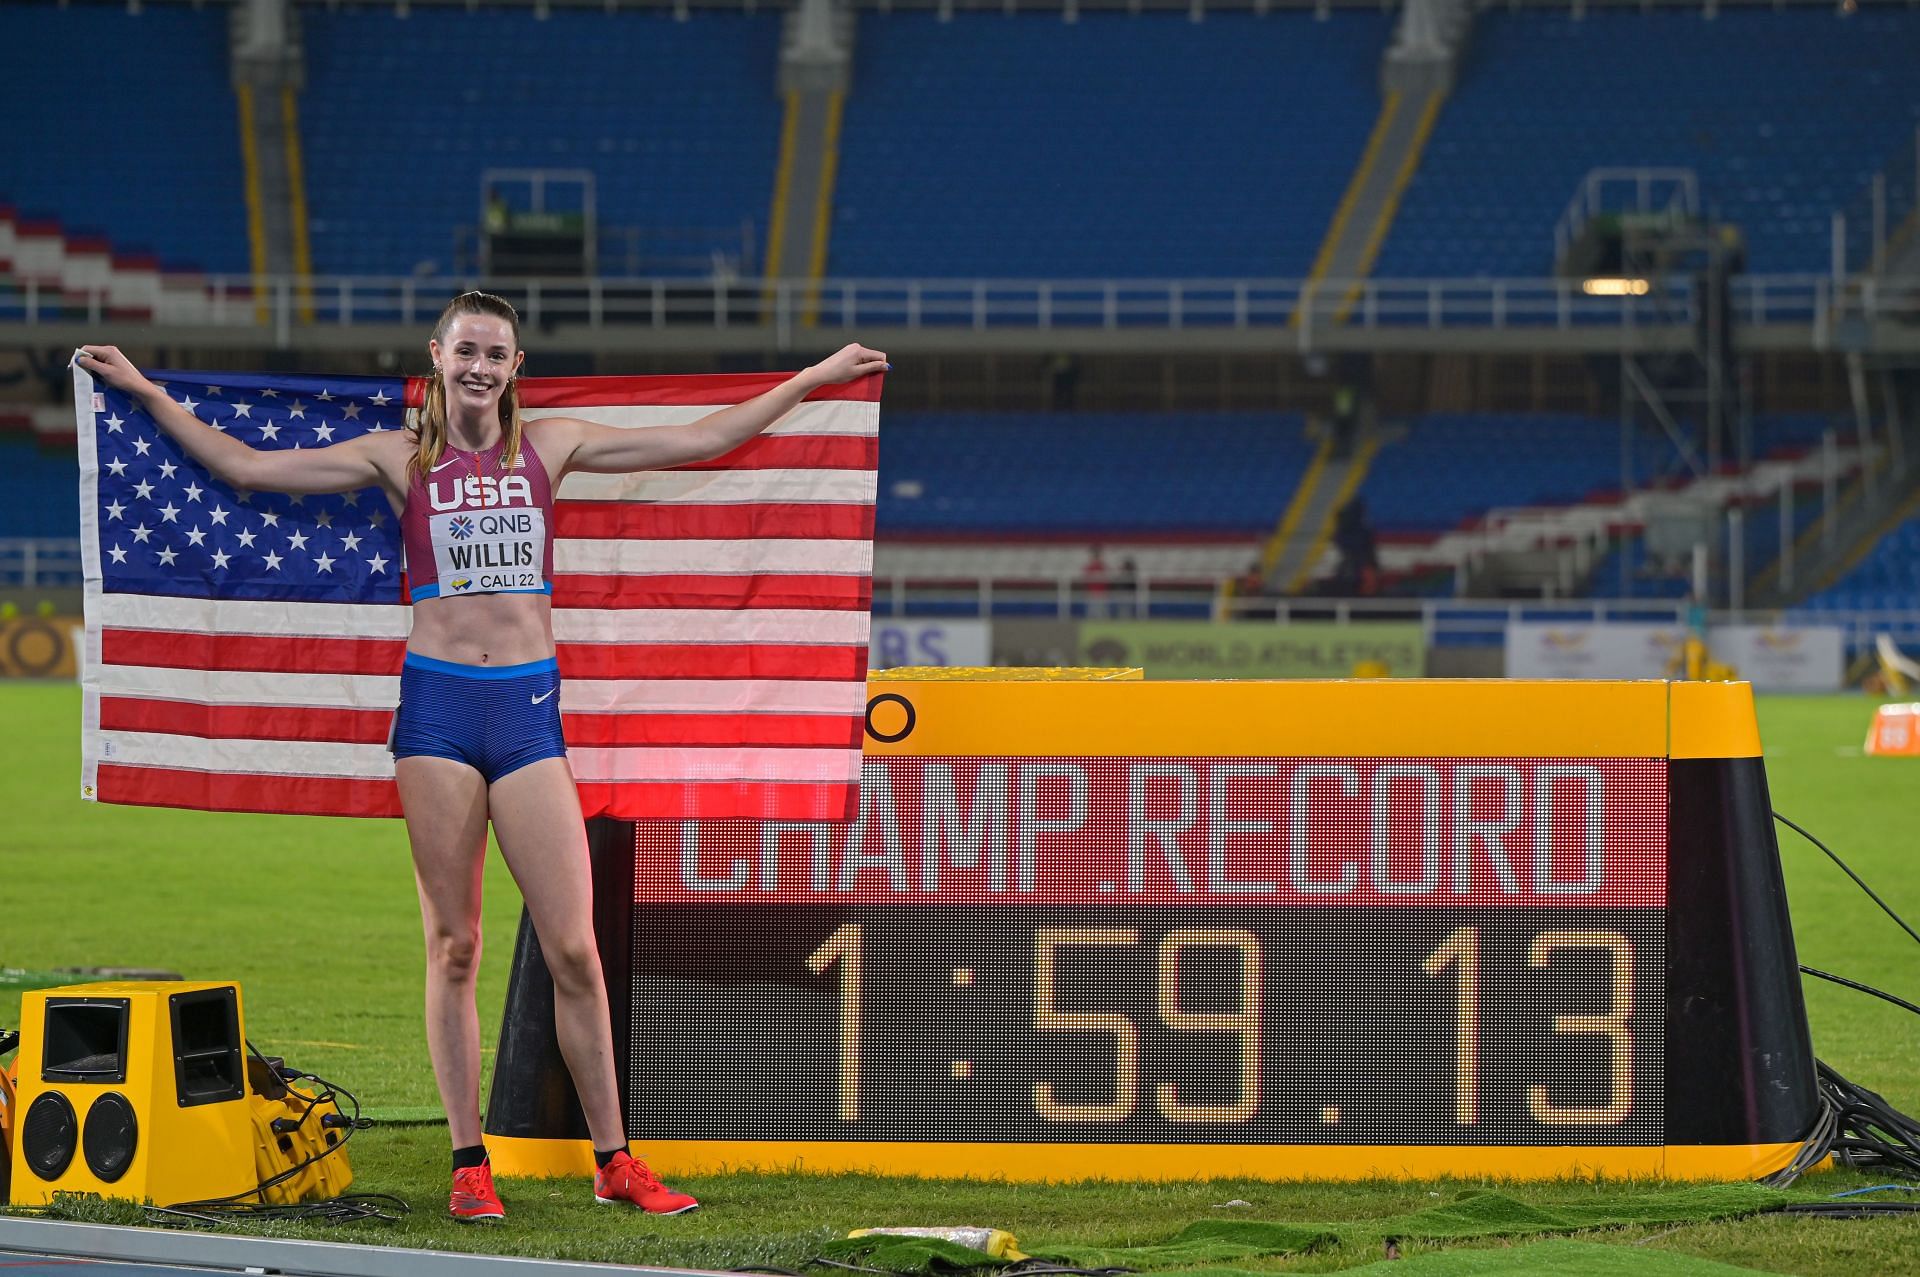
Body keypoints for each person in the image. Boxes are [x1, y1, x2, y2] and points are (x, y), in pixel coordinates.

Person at [76, 292, 887, 1223]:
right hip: (438, 715)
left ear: (515, 365)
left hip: (528, 712)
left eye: (495, 354)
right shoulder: (399, 457)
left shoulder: (552, 445)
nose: (479, 368)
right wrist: (143, 388)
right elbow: (246, 464)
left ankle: (616, 1159)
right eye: (466, 350)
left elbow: (702, 441)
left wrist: (817, 378)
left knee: (574, 948)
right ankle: (470, 1163)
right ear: (438, 354)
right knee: (454, 945)